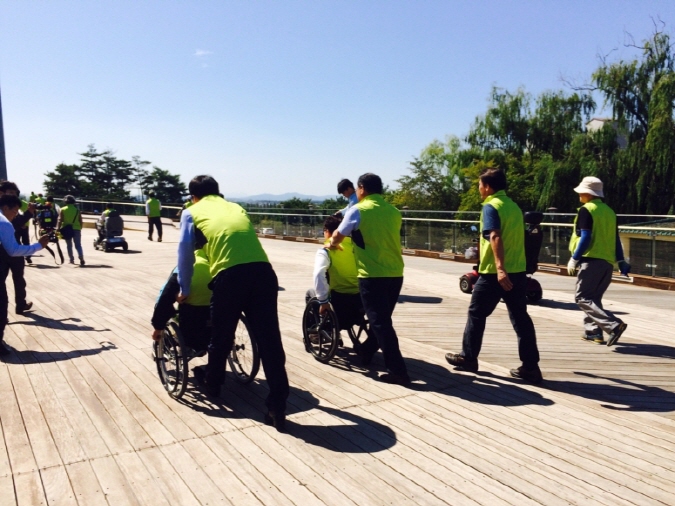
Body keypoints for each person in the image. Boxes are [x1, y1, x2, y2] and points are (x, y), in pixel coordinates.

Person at [177, 175, 289, 429]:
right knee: (270, 340)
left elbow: (184, 254)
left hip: (230, 276)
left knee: (221, 335)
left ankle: (213, 384)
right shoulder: (236, 207)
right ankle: (277, 405)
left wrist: (184, 288)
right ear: (218, 192)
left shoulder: (191, 212)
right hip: (263, 273)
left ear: (193, 197)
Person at [445, 167, 542, 384]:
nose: (479, 189)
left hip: (494, 273)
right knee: (520, 317)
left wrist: (499, 268)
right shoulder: (514, 207)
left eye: (479, 185)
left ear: (488, 187)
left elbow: (495, 236)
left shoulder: (491, 206)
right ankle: (531, 367)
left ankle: (468, 358)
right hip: (518, 271)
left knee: (476, 313)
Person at [329, 173, 409, 385]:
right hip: (396, 272)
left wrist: (332, 244)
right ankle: (366, 350)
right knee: (381, 320)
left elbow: (338, 235)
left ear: (362, 188)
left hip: (372, 274)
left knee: (380, 323)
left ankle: (398, 370)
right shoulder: (394, 212)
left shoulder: (358, 210)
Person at [567, 176, 630, 346]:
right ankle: (593, 332)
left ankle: (614, 325)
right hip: (607, 263)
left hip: (591, 260)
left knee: (582, 297)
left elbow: (586, 237)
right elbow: (615, 238)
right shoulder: (609, 212)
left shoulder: (587, 210)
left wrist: (574, 258)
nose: (579, 194)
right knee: (593, 299)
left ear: (588, 193)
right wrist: (621, 261)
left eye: (581, 192)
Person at [0, 194, 49, 355]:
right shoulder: (4, 222)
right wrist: (38, 246)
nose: (15, 216)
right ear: (5, 207)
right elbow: (13, 250)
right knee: (1, 306)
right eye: (15, 211)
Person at [306, 215, 364, 339]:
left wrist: (323, 301)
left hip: (338, 301)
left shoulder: (326, 251)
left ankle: (319, 331)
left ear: (327, 231)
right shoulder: (357, 246)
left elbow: (318, 274)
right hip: (359, 300)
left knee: (310, 293)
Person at [151, 248, 212, 353]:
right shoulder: (214, 264)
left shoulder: (183, 266)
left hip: (191, 320)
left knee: (166, 300)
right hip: (214, 316)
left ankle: (172, 342)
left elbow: (164, 299)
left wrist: (158, 327)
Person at [0, 181, 36, 316]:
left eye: (15, 193)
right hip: (4, 252)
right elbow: (15, 222)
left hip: (15, 250)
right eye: (11, 193)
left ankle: (20, 304)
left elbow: (17, 222)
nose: (14, 196)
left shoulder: (11, 209)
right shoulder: (4, 212)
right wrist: (29, 213)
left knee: (19, 279)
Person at [56, 195, 85, 266]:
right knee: (78, 245)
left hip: (67, 229)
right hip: (77, 228)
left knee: (69, 245)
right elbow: (80, 220)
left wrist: (58, 229)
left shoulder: (63, 209)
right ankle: (81, 258)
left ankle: (71, 259)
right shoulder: (77, 210)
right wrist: (80, 227)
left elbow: (60, 220)